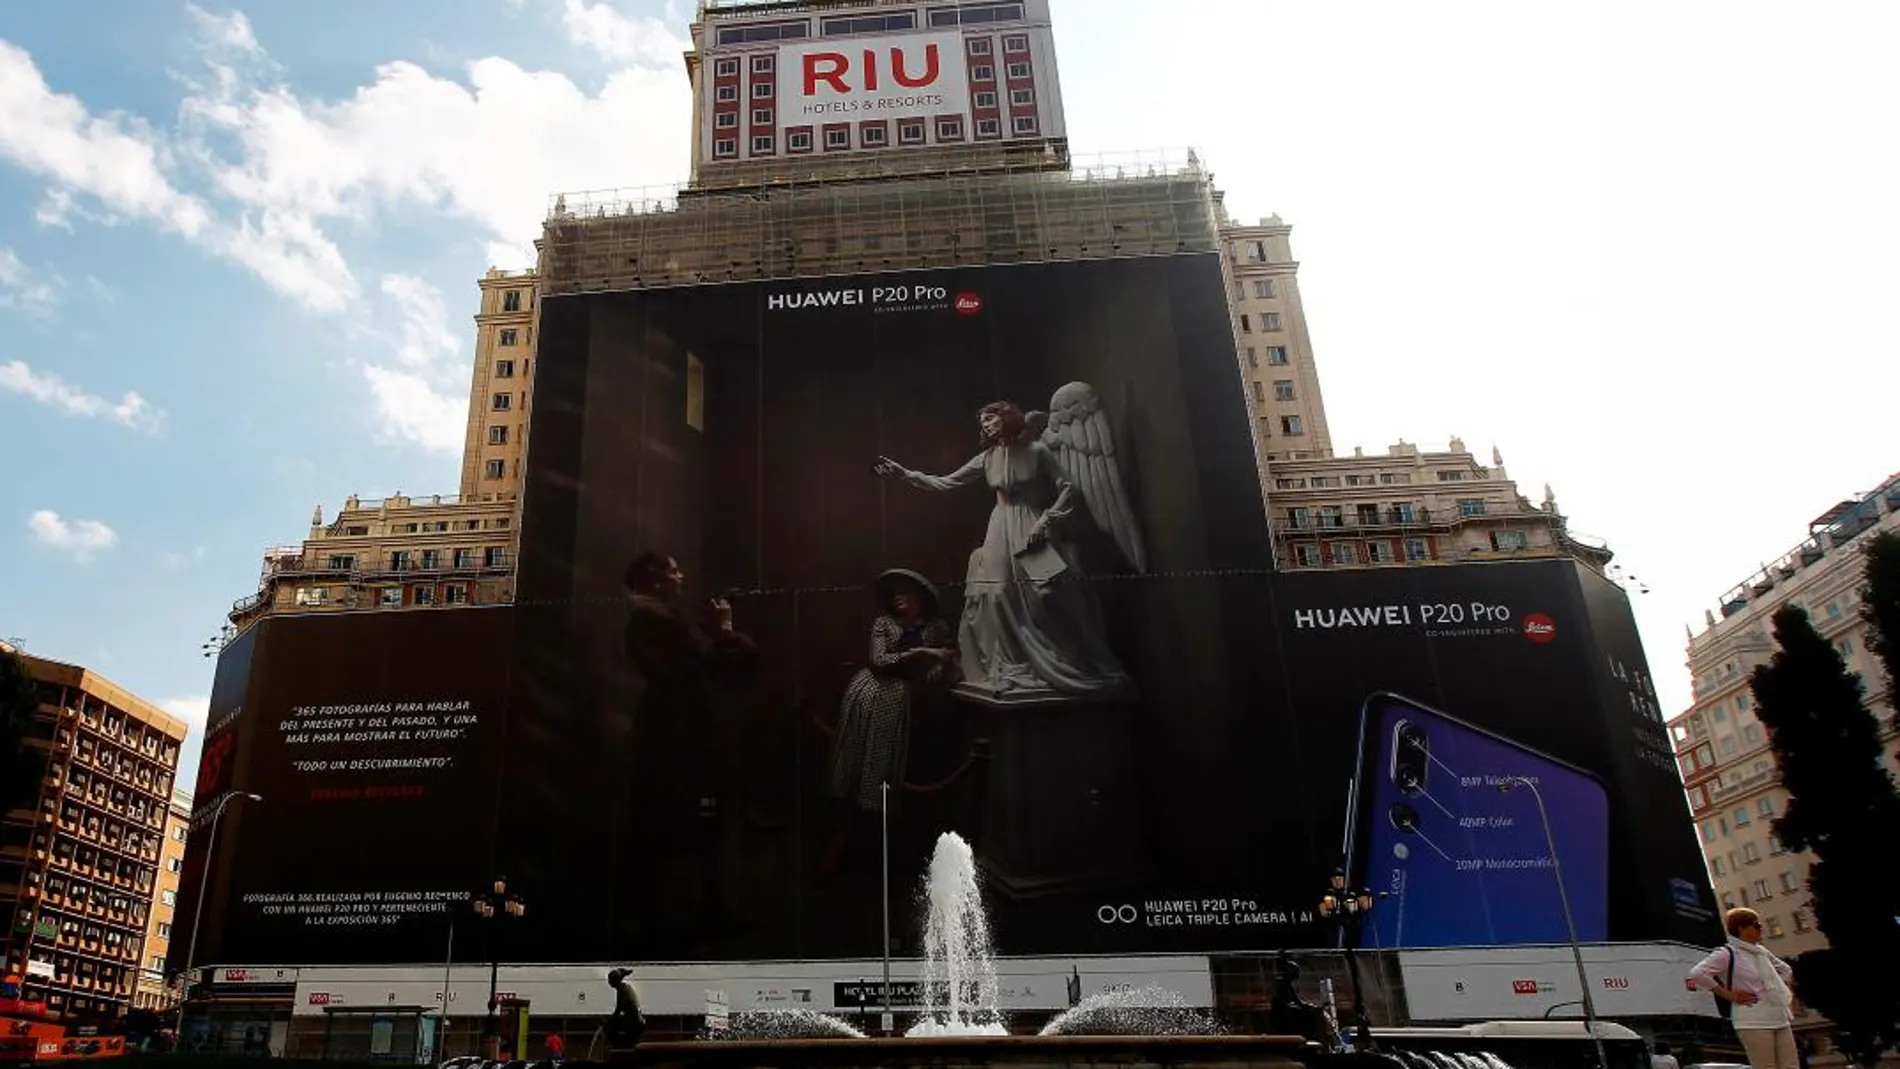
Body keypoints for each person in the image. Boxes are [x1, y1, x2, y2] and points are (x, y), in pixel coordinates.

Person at [874, 401, 1130, 699]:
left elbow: (1068, 487)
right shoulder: (987, 457)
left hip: (1032, 527)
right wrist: (904, 473)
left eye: (991, 418)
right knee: (996, 594)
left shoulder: (1037, 452)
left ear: (1006, 418)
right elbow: (945, 482)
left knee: (1048, 595)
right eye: (982, 420)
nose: (985, 424)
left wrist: (1046, 520)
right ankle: (1014, 664)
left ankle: (1061, 660)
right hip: (1000, 528)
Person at [623, 552, 759, 938]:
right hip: (678, 740)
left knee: (693, 827)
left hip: (680, 737)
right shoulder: (651, 621)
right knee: (678, 827)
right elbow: (700, 667)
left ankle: (697, 913)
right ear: (655, 580)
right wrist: (722, 631)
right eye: (673, 570)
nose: (681, 576)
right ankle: (673, 922)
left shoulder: (662, 620)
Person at [819, 569, 958, 880]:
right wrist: (921, 652)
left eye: (905, 592)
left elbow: (947, 658)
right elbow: (879, 661)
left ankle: (898, 850)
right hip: (874, 694)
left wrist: (939, 664)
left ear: (920, 596)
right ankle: (851, 839)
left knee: (905, 773)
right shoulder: (884, 624)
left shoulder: (936, 628)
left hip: (912, 703)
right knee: (864, 765)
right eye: (894, 593)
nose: (898, 598)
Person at [1689, 907, 1798, 1069]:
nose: (1761, 928)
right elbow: (1697, 974)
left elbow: (1786, 970)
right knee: (1766, 1067)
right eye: (1757, 925)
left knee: (1791, 1066)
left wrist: (1772, 987)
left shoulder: (1760, 952)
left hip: (1778, 1015)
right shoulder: (1727, 953)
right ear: (1742, 928)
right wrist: (1729, 995)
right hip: (1753, 1020)